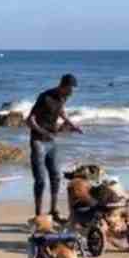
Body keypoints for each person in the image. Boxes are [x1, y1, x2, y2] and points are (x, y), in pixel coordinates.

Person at [26, 73, 83, 218]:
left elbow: (61, 112)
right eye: (70, 89)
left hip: (52, 141)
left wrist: (72, 125)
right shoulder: (45, 97)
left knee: (56, 176)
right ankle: (38, 215)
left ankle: (53, 211)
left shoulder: (63, 98)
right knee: (40, 180)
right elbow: (30, 120)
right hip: (38, 141)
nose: (71, 93)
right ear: (63, 86)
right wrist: (42, 132)